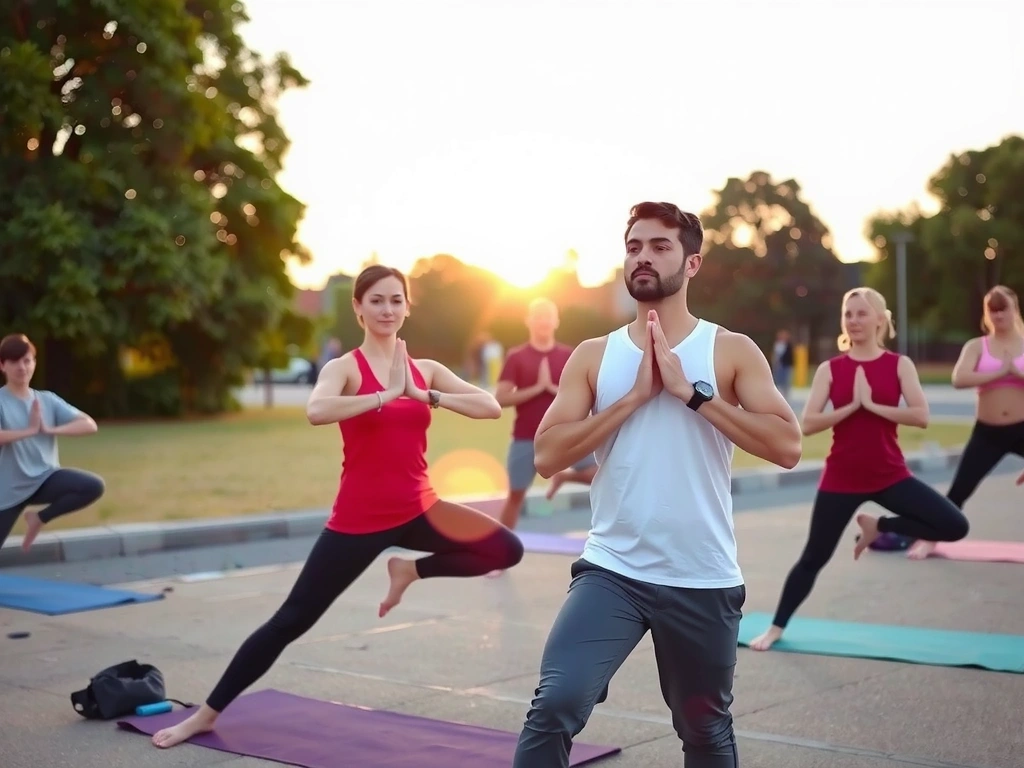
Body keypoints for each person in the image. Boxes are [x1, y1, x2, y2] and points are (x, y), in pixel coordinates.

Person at [152, 265, 524, 750]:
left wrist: (423, 394)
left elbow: (490, 407)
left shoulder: (425, 369)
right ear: (358, 308)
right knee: (291, 620)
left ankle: (410, 572)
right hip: (358, 521)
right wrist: (382, 396)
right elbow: (316, 411)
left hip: (420, 508)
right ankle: (203, 715)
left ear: (408, 306)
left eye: (396, 300)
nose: (387, 309)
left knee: (504, 548)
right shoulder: (345, 367)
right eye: (376, 301)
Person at [512, 202, 803, 768]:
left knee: (704, 728)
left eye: (660, 246)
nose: (643, 256)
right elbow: (546, 456)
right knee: (555, 704)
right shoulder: (595, 355)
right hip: (612, 570)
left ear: (692, 263)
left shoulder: (730, 350)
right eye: (634, 246)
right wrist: (632, 399)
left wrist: (692, 394)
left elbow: (787, 446)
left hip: (701, 574)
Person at [748, 287, 970, 652]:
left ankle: (877, 526)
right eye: (848, 314)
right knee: (813, 557)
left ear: (881, 319)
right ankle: (775, 627)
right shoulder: (831, 369)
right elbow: (809, 423)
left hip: (890, 474)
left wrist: (872, 405)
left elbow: (921, 415)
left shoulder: (899, 365)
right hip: (841, 478)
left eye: (861, 313)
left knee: (954, 525)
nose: (853, 320)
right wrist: (852, 405)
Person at [908, 285, 1024, 559]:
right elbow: (959, 379)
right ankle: (930, 539)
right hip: (988, 434)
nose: (998, 315)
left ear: (1014, 309)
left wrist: (1016, 373)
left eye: (1003, 308)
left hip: (1021, 428)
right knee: (960, 489)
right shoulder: (977, 346)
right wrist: (999, 372)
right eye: (992, 310)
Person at [495, 298, 597, 532]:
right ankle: (497, 555)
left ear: (556, 321)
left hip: (566, 434)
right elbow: (501, 398)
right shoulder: (517, 356)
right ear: (528, 321)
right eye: (538, 316)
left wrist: (553, 389)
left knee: (600, 473)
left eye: (548, 316)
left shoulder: (570, 355)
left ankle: (564, 477)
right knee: (515, 497)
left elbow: (584, 394)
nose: (543, 321)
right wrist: (537, 388)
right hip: (526, 437)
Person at [0, 333, 104, 552]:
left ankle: (38, 518)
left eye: (27, 361)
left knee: (92, 486)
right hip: (7, 489)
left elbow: (89, 424)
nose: (22, 367)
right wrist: (28, 430)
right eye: (15, 362)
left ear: (34, 363)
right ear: (3, 366)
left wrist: (50, 429)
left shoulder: (47, 400)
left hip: (43, 479)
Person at [772, 329, 795, 399]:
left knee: (786, 382)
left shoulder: (789, 346)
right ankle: (779, 395)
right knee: (779, 382)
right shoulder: (777, 345)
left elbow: (790, 356)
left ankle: (786, 396)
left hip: (786, 365)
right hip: (779, 366)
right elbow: (775, 356)